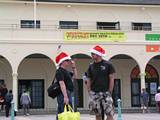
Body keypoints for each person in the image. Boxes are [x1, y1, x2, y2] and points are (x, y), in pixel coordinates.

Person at [86, 45, 115, 120]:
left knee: (109, 113)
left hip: (106, 93)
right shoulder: (91, 66)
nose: (91, 55)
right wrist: (89, 91)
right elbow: (88, 79)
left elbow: (111, 78)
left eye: (93, 53)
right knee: (97, 114)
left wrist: (110, 91)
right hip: (94, 93)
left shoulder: (108, 64)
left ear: (98, 54)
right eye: (91, 53)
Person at [55, 52, 77, 120]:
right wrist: (65, 96)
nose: (68, 62)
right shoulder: (59, 71)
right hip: (63, 94)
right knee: (64, 112)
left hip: (68, 93)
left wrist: (74, 67)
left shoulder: (66, 71)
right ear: (62, 61)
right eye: (67, 60)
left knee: (63, 113)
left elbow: (75, 76)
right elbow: (62, 83)